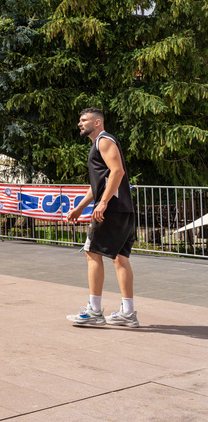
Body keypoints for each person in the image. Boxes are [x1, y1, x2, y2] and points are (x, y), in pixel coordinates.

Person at [65, 107, 139, 327]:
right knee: (120, 258)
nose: (80, 123)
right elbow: (99, 184)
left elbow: (117, 172)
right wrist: (79, 208)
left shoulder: (104, 141)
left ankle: (95, 312)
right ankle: (128, 313)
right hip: (124, 208)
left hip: (112, 208)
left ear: (97, 123)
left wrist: (104, 202)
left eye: (84, 119)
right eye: (79, 120)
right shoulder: (99, 144)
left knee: (92, 252)